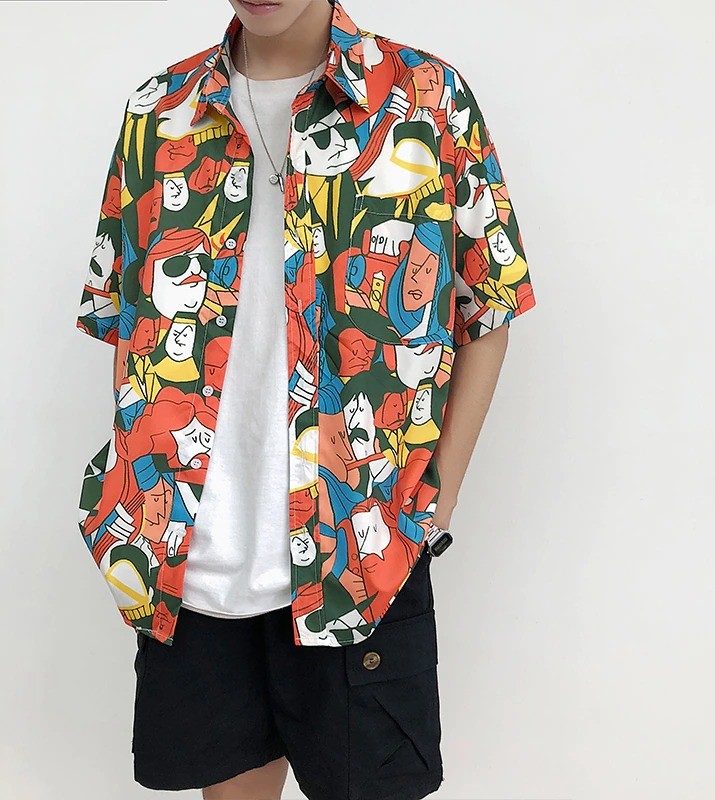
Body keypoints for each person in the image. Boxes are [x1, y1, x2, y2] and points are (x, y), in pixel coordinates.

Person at [74, 0, 537, 797]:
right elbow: (126, 317)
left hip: (357, 554)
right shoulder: (159, 110)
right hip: (193, 559)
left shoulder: (425, 97)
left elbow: (488, 308)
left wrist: (437, 499)